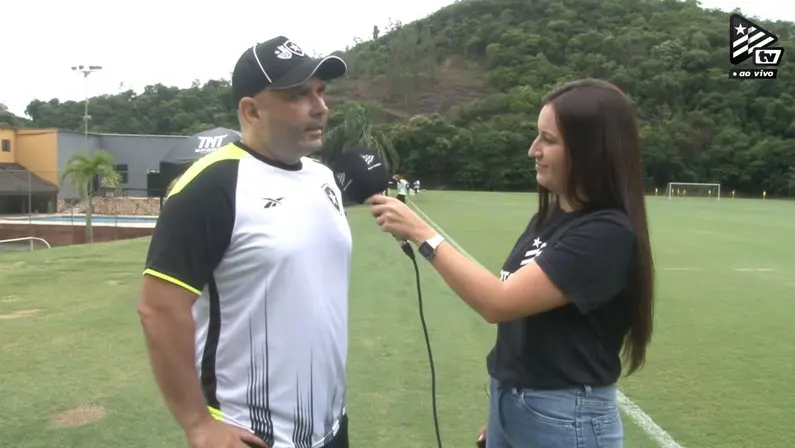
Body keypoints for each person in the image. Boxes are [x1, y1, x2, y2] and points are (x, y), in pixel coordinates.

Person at [367, 78, 654, 448]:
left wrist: (423, 234)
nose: (533, 150)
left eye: (548, 140)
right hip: (517, 406)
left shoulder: (606, 233)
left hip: (566, 418)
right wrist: (502, 418)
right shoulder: (549, 219)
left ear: (589, 151)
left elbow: (499, 302)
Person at [137, 35, 352, 448]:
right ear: (252, 110)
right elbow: (158, 309)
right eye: (298, 95)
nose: (320, 107)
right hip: (253, 434)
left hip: (330, 425)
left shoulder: (322, 178)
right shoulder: (211, 186)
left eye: (321, 92)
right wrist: (198, 424)